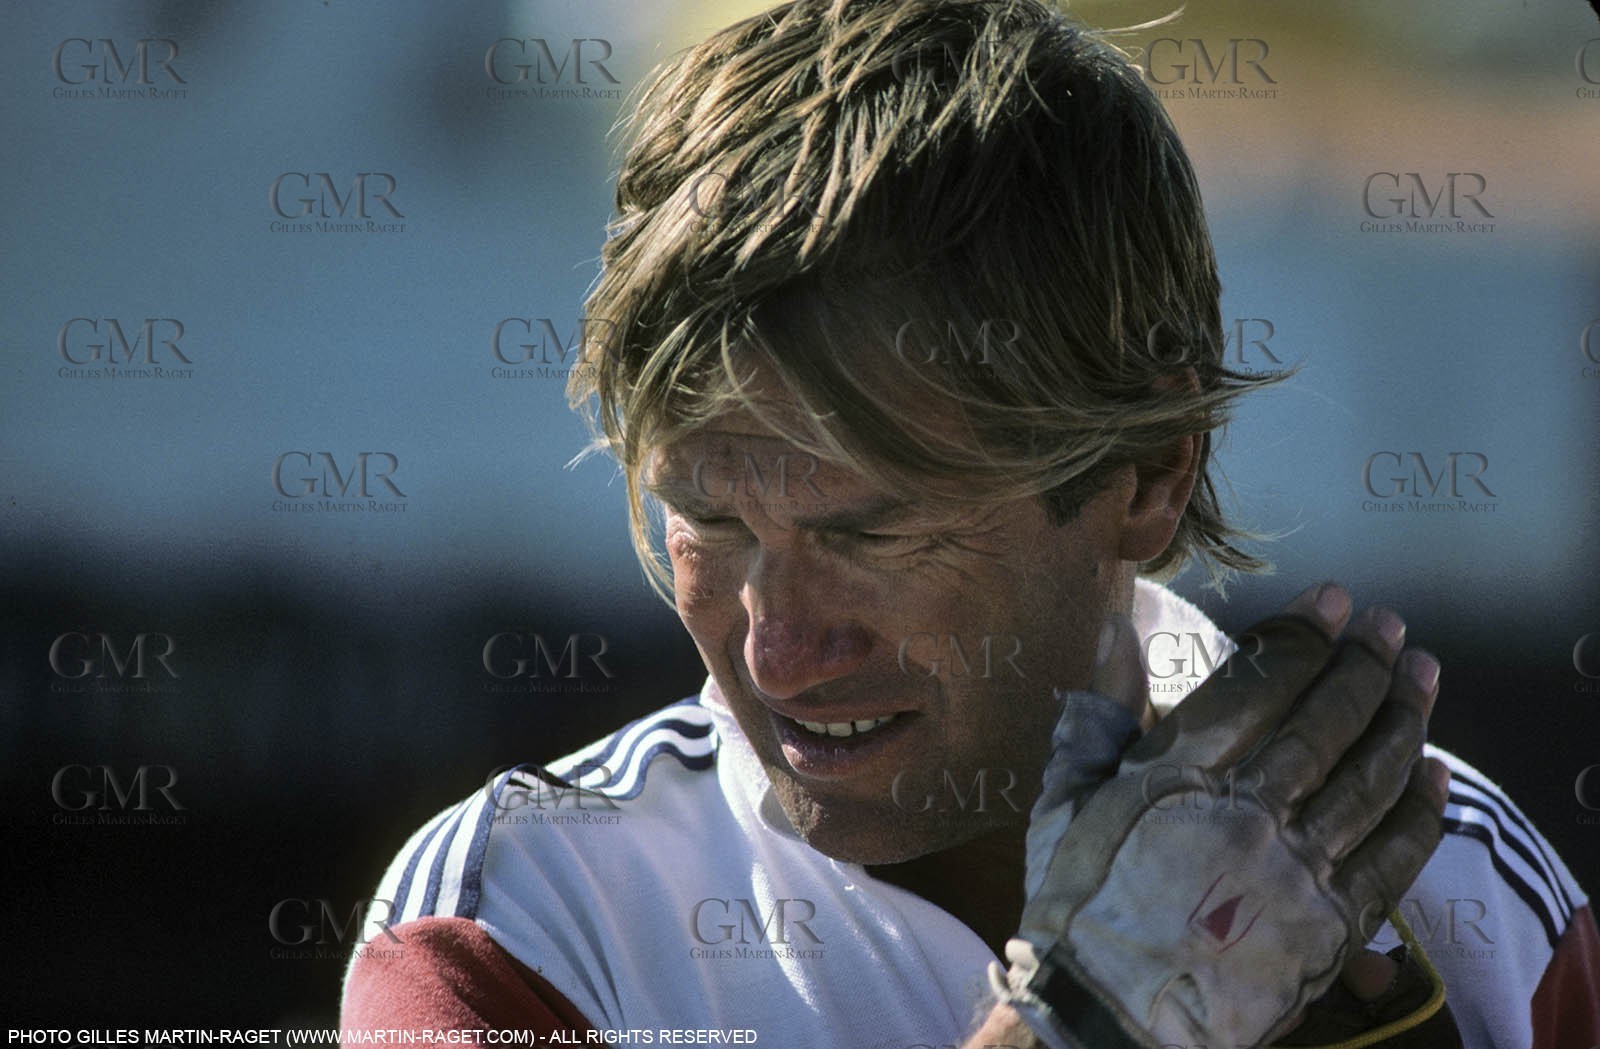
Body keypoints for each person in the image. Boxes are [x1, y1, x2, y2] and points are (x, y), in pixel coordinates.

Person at [342, 0, 1600, 1045]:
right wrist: (1079, 1014)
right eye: (706, 518)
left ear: (1150, 473)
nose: (776, 649)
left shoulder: (1467, 893)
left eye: (873, 534)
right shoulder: (515, 925)